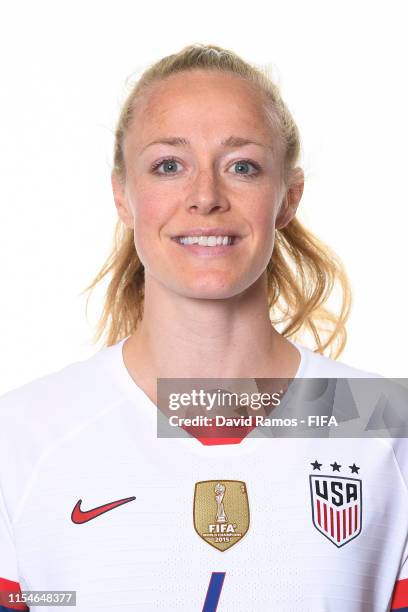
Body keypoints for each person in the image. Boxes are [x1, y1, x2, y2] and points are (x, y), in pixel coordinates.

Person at [0, 43, 406, 612]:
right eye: (169, 165)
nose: (206, 197)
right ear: (123, 195)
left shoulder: (385, 428)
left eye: (242, 166)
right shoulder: (22, 437)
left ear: (288, 197)